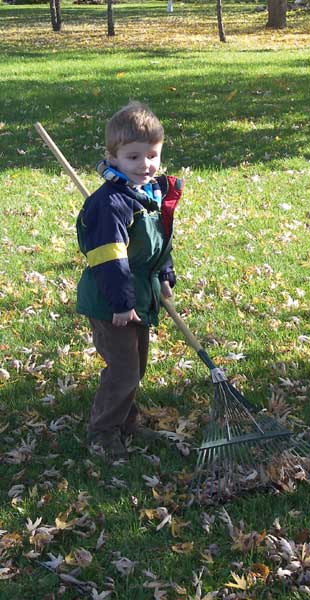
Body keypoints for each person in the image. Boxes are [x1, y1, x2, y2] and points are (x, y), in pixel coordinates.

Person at [76, 101, 183, 460]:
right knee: (123, 369)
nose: (145, 165)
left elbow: (155, 243)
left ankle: (125, 421)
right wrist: (122, 304)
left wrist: (164, 275)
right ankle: (103, 432)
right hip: (112, 300)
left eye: (151, 155)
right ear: (113, 157)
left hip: (137, 294)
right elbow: (109, 259)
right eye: (133, 157)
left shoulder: (148, 195)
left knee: (137, 365)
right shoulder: (110, 204)